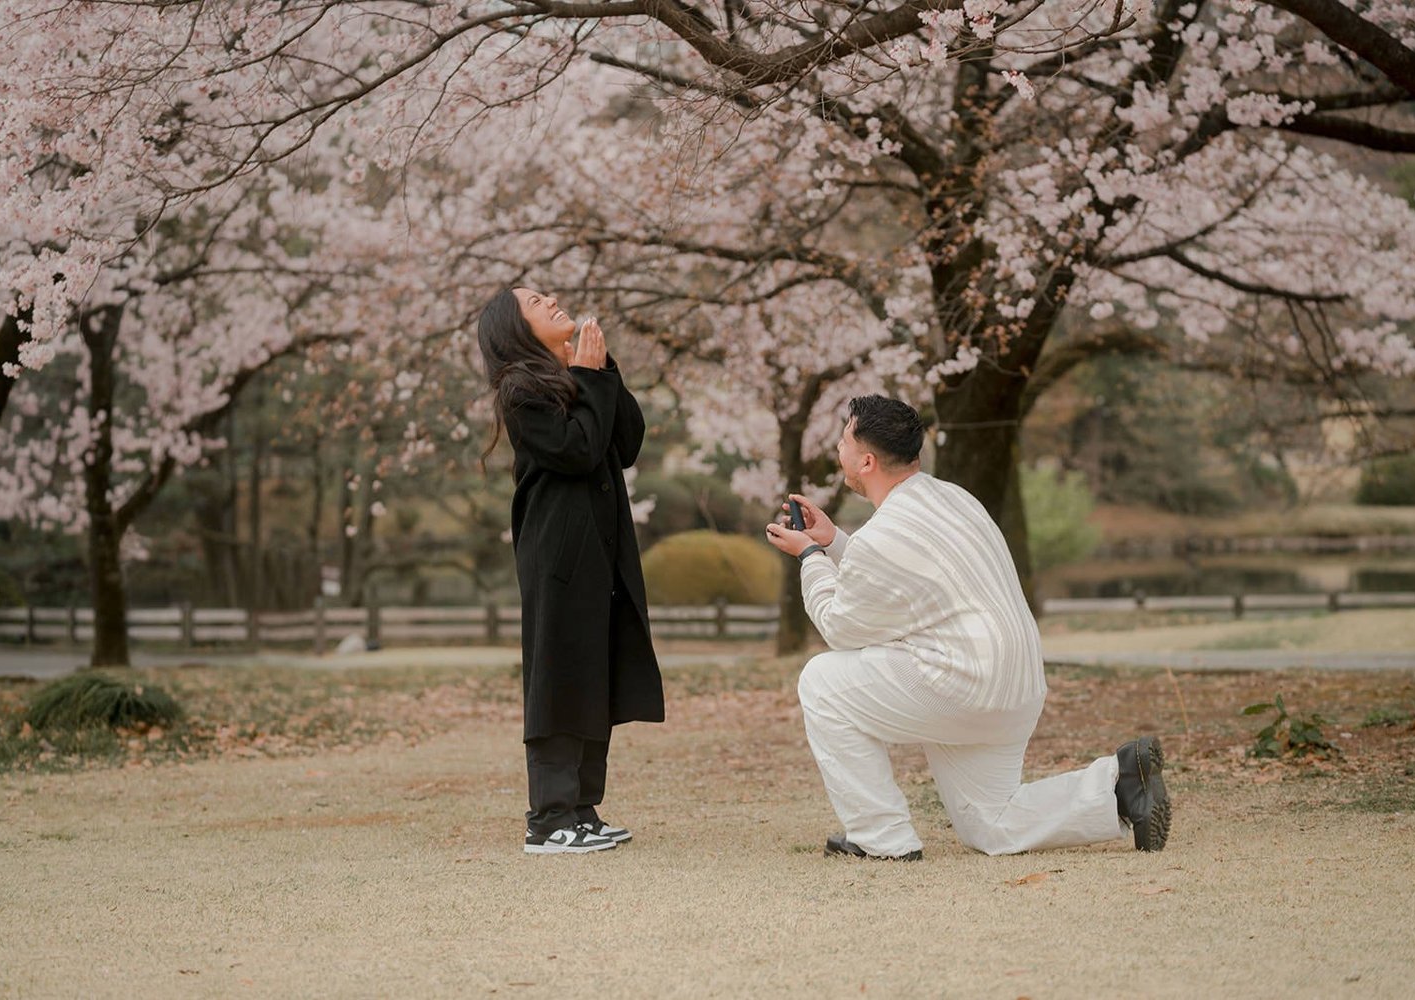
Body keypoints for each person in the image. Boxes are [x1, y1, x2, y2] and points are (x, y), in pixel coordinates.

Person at [763, 395, 1170, 860]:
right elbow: (898, 572)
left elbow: (841, 626)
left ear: (867, 461)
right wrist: (834, 541)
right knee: (990, 824)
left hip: (962, 684)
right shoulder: (953, 497)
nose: (838, 451)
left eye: (842, 443)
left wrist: (810, 557)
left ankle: (881, 840)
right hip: (1017, 686)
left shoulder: (884, 536)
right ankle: (1119, 786)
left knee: (822, 681)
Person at [476, 287, 665, 855]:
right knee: (560, 676)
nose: (552, 298)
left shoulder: (581, 376)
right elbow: (578, 449)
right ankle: (548, 819)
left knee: (595, 671)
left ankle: (582, 810)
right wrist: (587, 376)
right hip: (558, 550)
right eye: (536, 300)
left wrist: (602, 370)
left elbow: (626, 441)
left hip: (603, 546)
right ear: (518, 328)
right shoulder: (521, 389)